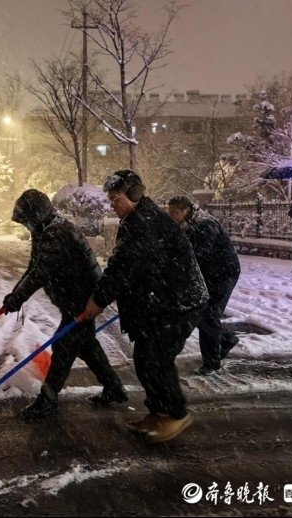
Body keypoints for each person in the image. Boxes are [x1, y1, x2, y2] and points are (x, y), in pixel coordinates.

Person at [84, 171, 209, 443]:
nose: (112, 205)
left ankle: (175, 414)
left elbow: (123, 267)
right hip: (161, 301)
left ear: (134, 194)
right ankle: (158, 413)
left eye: (116, 199)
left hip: (181, 302)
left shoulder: (145, 222)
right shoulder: (136, 219)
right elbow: (128, 267)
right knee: (144, 358)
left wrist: (98, 300)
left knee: (156, 359)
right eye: (110, 199)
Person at [3, 189, 128, 420]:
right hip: (74, 300)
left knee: (63, 347)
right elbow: (33, 267)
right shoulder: (45, 230)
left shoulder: (57, 232)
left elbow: (41, 273)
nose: (27, 227)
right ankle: (114, 387)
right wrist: (14, 295)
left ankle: (48, 400)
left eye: (28, 221)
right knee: (86, 347)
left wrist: (18, 298)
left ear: (37, 215)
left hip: (82, 301)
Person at [167, 196, 241, 376]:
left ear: (185, 210)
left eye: (174, 212)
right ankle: (226, 339)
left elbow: (197, 255)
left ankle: (212, 364)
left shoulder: (206, 225)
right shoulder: (186, 224)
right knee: (201, 313)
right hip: (208, 274)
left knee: (208, 315)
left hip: (224, 274)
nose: (171, 216)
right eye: (169, 212)